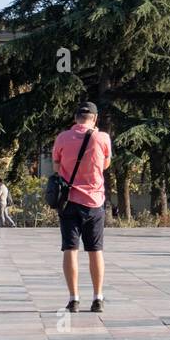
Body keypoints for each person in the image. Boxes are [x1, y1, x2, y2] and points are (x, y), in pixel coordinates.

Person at [52, 101, 113, 312]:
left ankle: (74, 299)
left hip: (69, 201)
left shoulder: (62, 137)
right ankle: (97, 298)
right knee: (96, 250)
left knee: (70, 249)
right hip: (94, 202)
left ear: (75, 118)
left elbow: (56, 166)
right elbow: (106, 164)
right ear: (94, 119)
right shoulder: (102, 138)